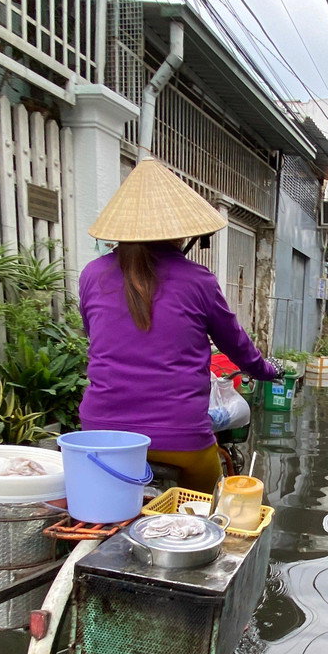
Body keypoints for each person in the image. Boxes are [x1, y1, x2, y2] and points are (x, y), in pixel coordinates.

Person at [78, 157, 279, 493]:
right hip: (181, 439)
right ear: (183, 233)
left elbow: (94, 335)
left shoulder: (91, 274)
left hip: (100, 435)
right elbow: (235, 344)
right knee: (211, 509)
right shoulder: (199, 281)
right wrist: (265, 370)